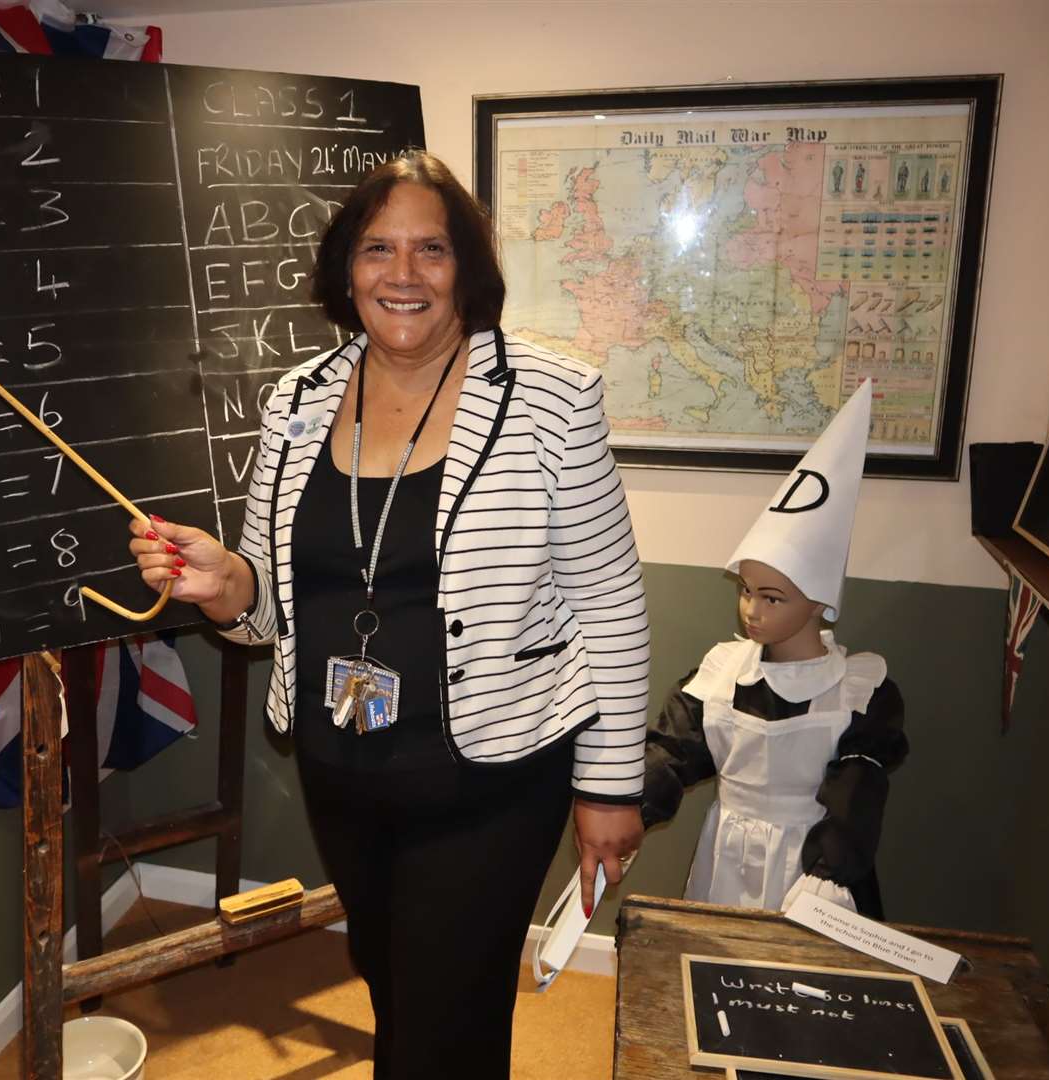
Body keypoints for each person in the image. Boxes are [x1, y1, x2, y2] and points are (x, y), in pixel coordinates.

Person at [128, 150, 650, 1078]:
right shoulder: (295, 402)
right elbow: (266, 611)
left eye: (431, 250)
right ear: (346, 268)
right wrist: (223, 587)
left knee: (447, 1013)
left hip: (490, 773)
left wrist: (610, 786)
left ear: (469, 269)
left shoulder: (553, 400)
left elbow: (611, 602)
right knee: (391, 983)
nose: (402, 275)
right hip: (346, 764)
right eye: (378, 249)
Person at [640, 382, 906, 918]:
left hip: (814, 869)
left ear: (816, 603)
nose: (751, 611)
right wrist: (624, 805)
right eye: (745, 591)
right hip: (728, 860)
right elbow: (670, 755)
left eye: (772, 597)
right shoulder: (718, 678)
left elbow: (856, 796)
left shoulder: (858, 695)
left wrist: (830, 874)